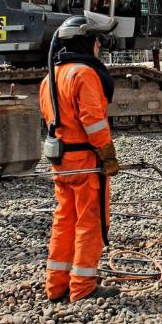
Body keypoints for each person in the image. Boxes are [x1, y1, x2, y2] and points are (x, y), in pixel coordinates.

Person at [38, 16, 121, 302]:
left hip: (61, 161)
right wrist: (107, 154)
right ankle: (83, 286)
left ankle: (56, 285)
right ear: (85, 41)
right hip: (86, 161)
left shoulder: (51, 76)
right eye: (96, 41)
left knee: (64, 220)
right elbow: (93, 121)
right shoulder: (83, 73)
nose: (99, 47)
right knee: (90, 222)